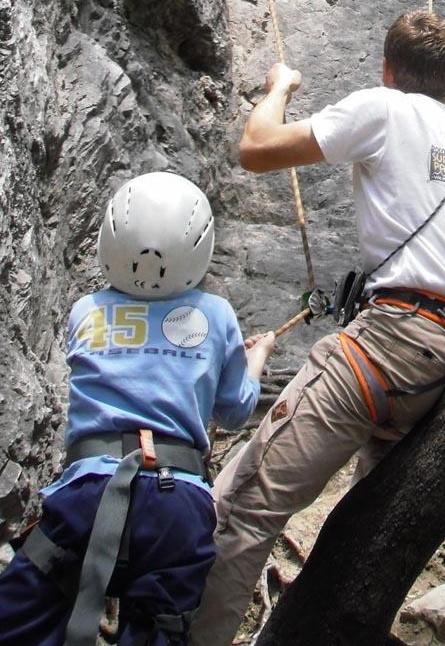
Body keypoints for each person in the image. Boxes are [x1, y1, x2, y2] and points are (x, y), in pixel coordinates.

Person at [190, 9, 445, 646]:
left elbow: (256, 150)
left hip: (390, 345)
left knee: (242, 507)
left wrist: (279, 86)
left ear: (388, 72)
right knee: (357, 542)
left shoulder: (383, 108)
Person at [0, 171, 274, 646]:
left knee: (19, 620)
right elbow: (234, 412)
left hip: (85, 494)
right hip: (178, 508)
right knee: (159, 633)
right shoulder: (217, 315)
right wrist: (255, 362)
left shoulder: (86, 310)